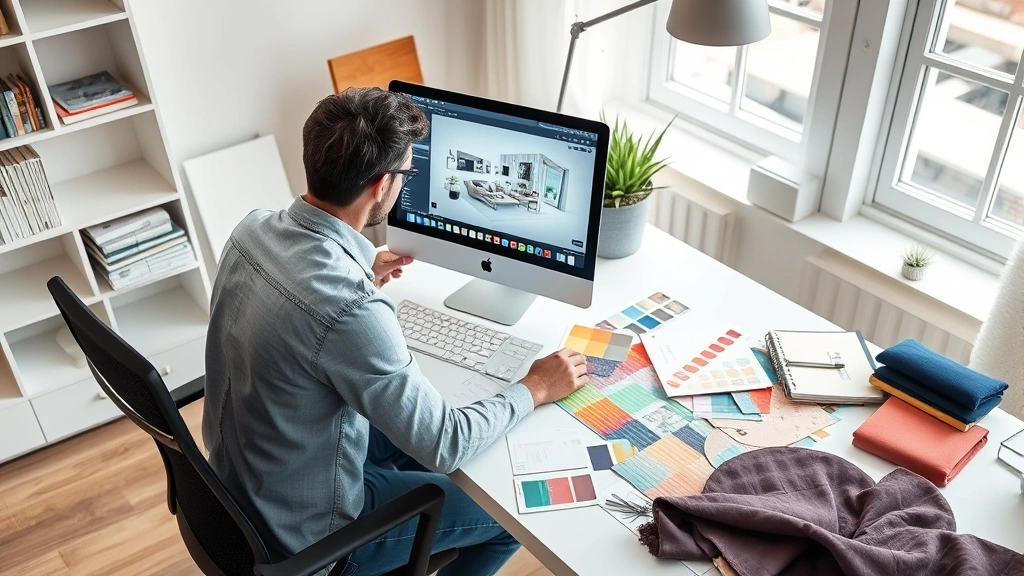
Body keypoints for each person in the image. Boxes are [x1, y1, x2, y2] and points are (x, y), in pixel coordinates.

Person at [202, 87, 589, 576]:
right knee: (507, 512)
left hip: (242, 486)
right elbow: (445, 443)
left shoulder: (250, 230)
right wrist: (535, 388)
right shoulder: (350, 308)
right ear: (382, 186)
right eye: (407, 173)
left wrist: (363, 265)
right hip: (311, 537)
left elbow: (305, 304)